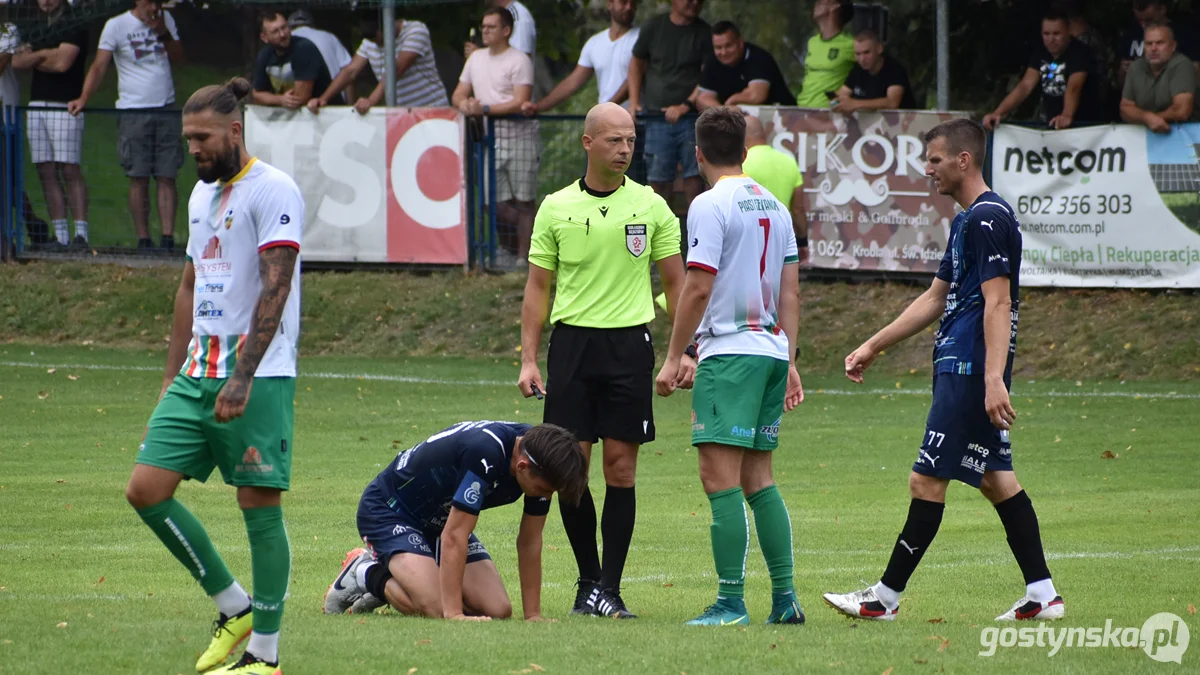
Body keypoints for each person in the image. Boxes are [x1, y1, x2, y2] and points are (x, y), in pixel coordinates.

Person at [822, 118, 1064, 624]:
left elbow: (999, 304)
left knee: (925, 481)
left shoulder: (986, 218)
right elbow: (936, 298)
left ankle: (882, 598)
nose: (926, 169)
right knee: (997, 480)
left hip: (970, 370)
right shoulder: (966, 221)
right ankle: (1043, 595)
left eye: (933, 160)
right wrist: (873, 345)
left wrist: (992, 378)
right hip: (963, 366)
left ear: (963, 160)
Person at [123, 77, 304, 675]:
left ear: (234, 130)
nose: (193, 149)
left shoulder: (273, 189)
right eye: (187, 139)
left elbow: (276, 289)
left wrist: (243, 376)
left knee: (259, 506)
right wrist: (170, 376)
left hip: (257, 374)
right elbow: (190, 285)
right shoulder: (201, 197)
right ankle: (235, 606)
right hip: (196, 373)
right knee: (146, 491)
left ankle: (266, 657)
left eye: (202, 138)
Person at [518, 102, 688, 618]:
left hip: (627, 348)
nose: (625, 150)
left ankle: (609, 590)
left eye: (631, 141)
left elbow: (677, 282)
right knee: (571, 469)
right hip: (572, 347)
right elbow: (537, 287)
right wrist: (528, 358)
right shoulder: (555, 206)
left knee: (621, 468)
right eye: (614, 140)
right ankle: (586, 581)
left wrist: (683, 351)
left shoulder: (651, 205)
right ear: (588, 143)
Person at [655, 106, 805, 627]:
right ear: (745, 151)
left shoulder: (707, 204)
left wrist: (676, 355)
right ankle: (784, 600)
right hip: (769, 351)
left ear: (697, 155)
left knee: (718, 478)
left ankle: (731, 603)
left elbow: (697, 286)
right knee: (759, 477)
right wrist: (790, 357)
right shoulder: (777, 208)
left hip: (731, 352)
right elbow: (790, 290)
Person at [321, 421, 589, 619]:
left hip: (441, 522)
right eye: (543, 490)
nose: (544, 496)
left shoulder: (542, 457)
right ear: (522, 467)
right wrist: (453, 614)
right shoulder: (487, 453)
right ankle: (364, 572)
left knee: (498, 610)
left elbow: (530, 541)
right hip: (390, 510)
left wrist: (533, 616)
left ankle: (407, 578)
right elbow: (455, 536)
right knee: (436, 607)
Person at [68, 0, 184, 253]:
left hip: (165, 106)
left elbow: (179, 57)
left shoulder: (166, 20)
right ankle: (143, 239)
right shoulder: (116, 25)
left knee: (167, 175)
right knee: (138, 176)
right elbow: (99, 66)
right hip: (133, 110)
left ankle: (167, 237)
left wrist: (162, 30)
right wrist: (83, 98)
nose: (153, 5)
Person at [453, 7, 537, 263]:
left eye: (491, 26)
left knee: (524, 200)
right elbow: (458, 93)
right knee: (492, 202)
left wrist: (485, 109)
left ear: (506, 31)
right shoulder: (475, 59)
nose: (484, 31)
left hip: (520, 138)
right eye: (483, 26)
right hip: (491, 140)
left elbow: (520, 101)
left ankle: (523, 256)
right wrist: (464, 104)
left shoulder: (519, 60)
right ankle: (529, 236)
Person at [12, 0, 89, 250]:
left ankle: (81, 234)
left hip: (65, 105)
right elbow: (17, 63)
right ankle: (61, 235)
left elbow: (62, 63)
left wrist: (36, 56)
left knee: (69, 169)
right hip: (37, 105)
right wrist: (47, 54)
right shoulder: (35, 25)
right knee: (45, 171)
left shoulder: (73, 22)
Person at [628, 0, 711, 219]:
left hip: (692, 118)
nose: (694, 3)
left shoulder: (704, 32)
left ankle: (694, 237)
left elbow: (708, 75)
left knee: (695, 179)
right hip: (656, 118)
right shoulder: (653, 27)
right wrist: (634, 102)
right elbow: (636, 63)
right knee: (658, 181)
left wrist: (686, 105)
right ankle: (659, 239)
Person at [982, 10, 1104, 130]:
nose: (1051, 39)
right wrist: (998, 112)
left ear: (1068, 32)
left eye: (1056, 34)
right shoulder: (1040, 52)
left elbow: (1074, 87)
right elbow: (1025, 86)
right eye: (1046, 34)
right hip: (1051, 122)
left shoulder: (1081, 53)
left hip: (1083, 125)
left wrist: (1066, 115)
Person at [310, 15, 447, 115]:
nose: (375, 42)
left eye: (377, 37)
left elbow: (396, 70)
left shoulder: (416, 31)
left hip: (431, 109)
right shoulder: (369, 42)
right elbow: (350, 71)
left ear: (387, 25)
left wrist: (370, 100)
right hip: (402, 114)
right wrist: (323, 99)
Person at [522, 0, 639, 113]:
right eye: (623, 2)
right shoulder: (595, 43)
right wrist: (539, 107)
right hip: (606, 121)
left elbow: (634, 78)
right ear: (609, 4)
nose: (629, 7)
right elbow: (573, 82)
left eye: (632, 3)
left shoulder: (642, 38)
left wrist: (606, 107)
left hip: (636, 117)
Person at [742, 115, 807, 263]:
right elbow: (798, 209)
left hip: (750, 242)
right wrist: (802, 242)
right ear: (764, 134)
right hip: (781, 240)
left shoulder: (741, 164)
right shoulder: (789, 162)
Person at [695, 21, 795, 111]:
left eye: (729, 46)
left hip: (782, 116)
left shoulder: (759, 57)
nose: (723, 52)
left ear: (740, 42)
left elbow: (756, 96)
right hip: (734, 116)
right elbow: (703, 98)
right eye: (718, 47)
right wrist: (723, 110)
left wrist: (732, 100)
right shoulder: (712, 60)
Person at [251, 9, 338, 109]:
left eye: (284, 27)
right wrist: (280, 100)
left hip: (325, 113)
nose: (282, 34)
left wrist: (271, 98)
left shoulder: (304, 48)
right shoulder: (264, 55)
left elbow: (300, 99)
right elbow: (257, 94)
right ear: (264, 37)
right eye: (275, 31)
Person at [1121, 22, 1196, 132]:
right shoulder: (1136, 66)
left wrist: (1151, 118)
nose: (1154, 48)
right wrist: (1147, 117)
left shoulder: (1182, 65)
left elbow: (1181, 111)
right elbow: (1125, 108)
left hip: (1182, 135)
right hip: (1142, 136)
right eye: (1149, 43)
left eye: (1160, 43)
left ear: (1173, 46)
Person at [1117, 0, 1200, 93]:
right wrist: (1125, 71)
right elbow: (1122, 84)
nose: (1144, 25)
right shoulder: (1132, 35)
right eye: (1140, 21)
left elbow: (1195, 78)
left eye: (1149, 20)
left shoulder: (1183, 35)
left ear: (1162, 9)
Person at [835, 29, 918, 113]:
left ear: (879, 49)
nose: (862, 59)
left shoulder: (894, 70)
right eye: (858, 54)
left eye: (866, 52)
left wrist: (854, 104)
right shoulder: (858, 70)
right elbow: (842, 93)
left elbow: (892, 103)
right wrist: (837, 102)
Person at [796, 0, 855, 108]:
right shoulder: (812, 42)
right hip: (802, 110)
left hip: (829, 114)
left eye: (822, 1)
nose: (816, 4)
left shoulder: (851, 44)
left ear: (836, 7)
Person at [288, 9, 353, 101]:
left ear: (289, 27)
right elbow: (347, 69)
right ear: (312, 25)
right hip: (334, 101)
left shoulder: (288, 39)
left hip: (298, 102)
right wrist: (350, 106)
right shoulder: (329, 36)